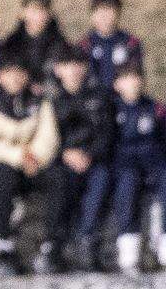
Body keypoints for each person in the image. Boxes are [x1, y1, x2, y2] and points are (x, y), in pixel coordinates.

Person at [0, 54, 59, 275]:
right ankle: (1, 246)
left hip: (33, 164)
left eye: (20, 73)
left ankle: (52, 244)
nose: (15, 78)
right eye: (9, 73)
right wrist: (18, 155)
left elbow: (49, 138)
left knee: (59, 178)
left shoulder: (39, 102)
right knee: (4, 177)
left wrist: (34, 157)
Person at [39, 45, 112, 273]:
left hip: (92, 159)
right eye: (67, 66)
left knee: (101, 178)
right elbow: (45, 135)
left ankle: (87, 240)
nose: (73, 71)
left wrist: (89, 155)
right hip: (59, 159)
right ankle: (54, 245)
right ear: (58, 69)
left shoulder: (99, 96)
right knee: (60, 181)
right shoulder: (49, 99)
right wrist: (64, 153)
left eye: (78, 65)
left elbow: (106, 134)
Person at [107, 63, 166, 273]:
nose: (133, 83)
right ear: (117, 84)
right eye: (127, 79)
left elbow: (165, 139)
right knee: (128, 180)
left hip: (152, 163)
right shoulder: (112, 109)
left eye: (137, 78)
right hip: (123, 165)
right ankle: (128, 241)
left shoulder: (154, 108)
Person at [2, 0, 68, 90]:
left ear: (49, 14)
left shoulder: (60, 43)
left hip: (50, 94)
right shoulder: (11, 43)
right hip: (19, 95)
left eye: (41, 10)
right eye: (33, 10)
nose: (37, 15)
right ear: (22, 12)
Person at [81, 0, 144, 90]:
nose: (104, 17)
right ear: (92, 15)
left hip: (121, 100)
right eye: (100, 11)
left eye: (109, 11)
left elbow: (136, 78)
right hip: (93, 100)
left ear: (118, 14)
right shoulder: (84, 45)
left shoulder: (130, 43)